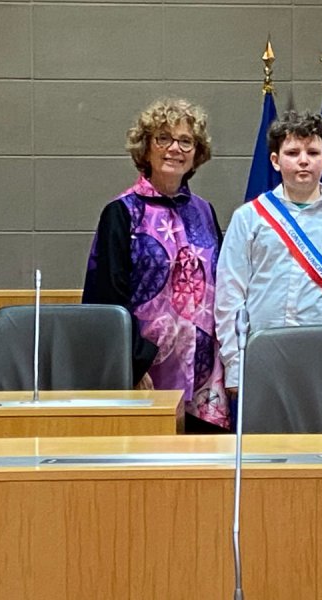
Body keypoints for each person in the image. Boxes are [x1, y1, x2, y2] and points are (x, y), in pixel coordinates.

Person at [83, 98, 229, 431]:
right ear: (146, 147)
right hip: (145, 374)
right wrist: (132, 366)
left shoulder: (205, 212)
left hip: (205, 381)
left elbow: (221, 287)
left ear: (196, 153)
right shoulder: (122, 212)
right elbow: (106, 300)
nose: (175, 148)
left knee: (205, 463)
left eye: (186, 141)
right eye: (164, 138)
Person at [214, 110, 322, 393]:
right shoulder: (249, 217)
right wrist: (235, 365)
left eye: (313, 152)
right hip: (263, 353)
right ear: (275, 160)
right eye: (292, 152)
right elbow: (229, 294)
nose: (303, 160)